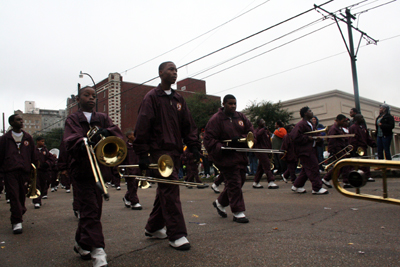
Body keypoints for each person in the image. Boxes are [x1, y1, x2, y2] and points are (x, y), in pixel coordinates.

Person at [132, 61, 200, 251]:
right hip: (158, 152)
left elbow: (188, 124)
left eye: (176, 70)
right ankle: (177, 235)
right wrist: (142, 154)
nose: (174, 72)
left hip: (176, 151)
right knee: (170, 189)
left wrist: (194, 146)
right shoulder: (151, 97)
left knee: (165, 189)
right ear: (160, 73)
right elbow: (142, 125)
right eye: (170, 69)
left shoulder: (179, 99)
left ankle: (153, 228)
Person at [64, 86, 124, 266]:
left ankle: (81, 243)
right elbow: (70, 139)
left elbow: (116, 131)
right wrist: (81, 143)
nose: (91, 98)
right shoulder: (73, 118)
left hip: (99, 169)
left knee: (93, 210)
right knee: (90, 209)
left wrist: (107, 132)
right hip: (82, 171)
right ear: (78, 99)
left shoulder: (103, 118)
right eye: (86, 95)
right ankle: (98, 250)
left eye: (93, 96)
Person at [204, 94, 254, 223]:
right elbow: (208, 139)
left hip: (240, 155)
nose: (233, 106)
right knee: (234, 182)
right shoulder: (216, 119)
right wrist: (224, 146)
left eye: (234, 103)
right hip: (225, 157)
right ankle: (238, 212)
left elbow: (251, 132)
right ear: (223, 104)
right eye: (230, 103)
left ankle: (220, 202)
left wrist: (242, 139)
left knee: (240, 180)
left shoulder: (241, 116)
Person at [0, 114, 36, 234]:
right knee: (14, 195)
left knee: (21, 195)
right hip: (10, 171)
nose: (21, 122)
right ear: (11, 122)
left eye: (21, 120)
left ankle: (20, 210)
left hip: (24, 171)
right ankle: (16, 221)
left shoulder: (27, 137)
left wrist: (34, 168)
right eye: (18, 120)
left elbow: (33, 154)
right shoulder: (5, 138)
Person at [291, 107, 328, 195]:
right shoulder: (301, 124)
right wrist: (308, 138)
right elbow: (295, 137)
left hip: (311, 150)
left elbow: (315, 134)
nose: (311, 112)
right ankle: (317, 188)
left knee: (306, 170)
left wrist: (318, 138)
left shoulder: (311, 124)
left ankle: (297, 186)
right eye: (309, 111)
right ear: (305, 114)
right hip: (305, 151)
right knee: (313, 168)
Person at [321, 114, 353, 188]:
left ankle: (326, 179)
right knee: (343, 165)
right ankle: (345, 182)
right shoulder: (334, 129)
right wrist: (331, 151)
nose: (344, 122)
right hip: (337, 150)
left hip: (341, 149)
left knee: (339, 166)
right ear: (338, 120)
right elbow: (331, 140)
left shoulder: (339, 128)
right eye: (343, 121)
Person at [349, 114, 377, 182]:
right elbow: (352, 138)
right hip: (358, 147)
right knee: (360, 163)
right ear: (356, 119)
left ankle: (367, 175)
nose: (362, 119)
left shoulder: (363, 127)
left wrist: (372, 143)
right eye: (361, 118)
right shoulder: (353, 127)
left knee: (365, 162)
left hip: (363, 147)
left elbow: (367, 137)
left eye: (362, 117)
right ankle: (361, 176)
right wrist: (354, 148)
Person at [252, 118, 278, 189]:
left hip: (266, 150)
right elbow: (257, 136)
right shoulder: (258, 130)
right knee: (267, 165)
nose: (264, 122)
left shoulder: (266, 131)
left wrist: (270, 150)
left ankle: (256, 182)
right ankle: (271, 181)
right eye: (262, 121)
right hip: (260, 150)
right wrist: (263, 129)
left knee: (261, 167)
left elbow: (268, 141)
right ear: (258, 123)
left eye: (264, 120)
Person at [121, 130, 142, 210]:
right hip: (129, 169)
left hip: (137, 168)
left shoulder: (137, 146)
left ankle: (127, 197)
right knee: (132, 185)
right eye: (133, 135)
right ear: (129, 136)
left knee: (134, 186)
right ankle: (134, 202)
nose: (135, 137)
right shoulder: (124, 146)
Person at [32, 137, 54, 209]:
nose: (43, 143)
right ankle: (36, 201)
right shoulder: (33, 150)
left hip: (44, 171)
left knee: (43, 185)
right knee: (36, 185)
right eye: (41, 141)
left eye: (43, 141)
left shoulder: (45, 151)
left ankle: (40, 197)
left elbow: (51, 159)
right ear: (37, 141)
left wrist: (47, 163)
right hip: (35, 171)